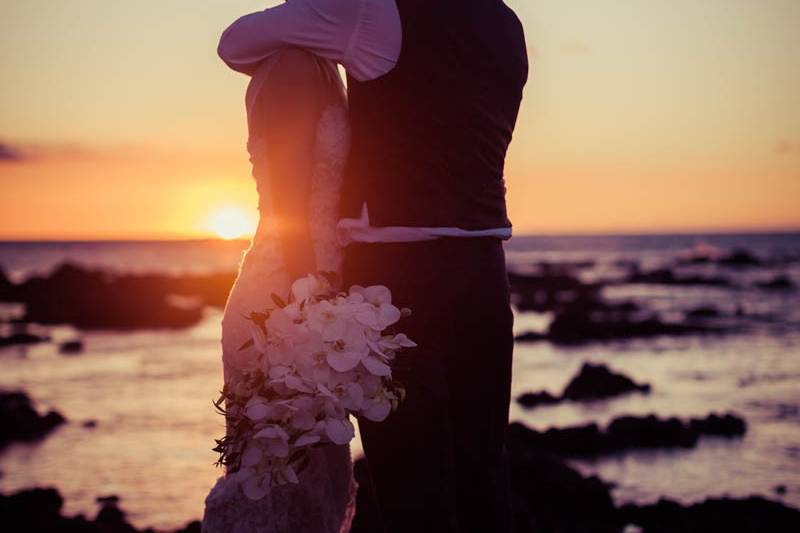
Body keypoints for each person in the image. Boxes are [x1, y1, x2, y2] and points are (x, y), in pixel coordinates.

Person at [205, 1, 528, 531]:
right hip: (486, 277)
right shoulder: (506, 24)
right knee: (486, 475)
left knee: (412, 490)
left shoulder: (375, 14)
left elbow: (234, 43)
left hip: (398, 283)